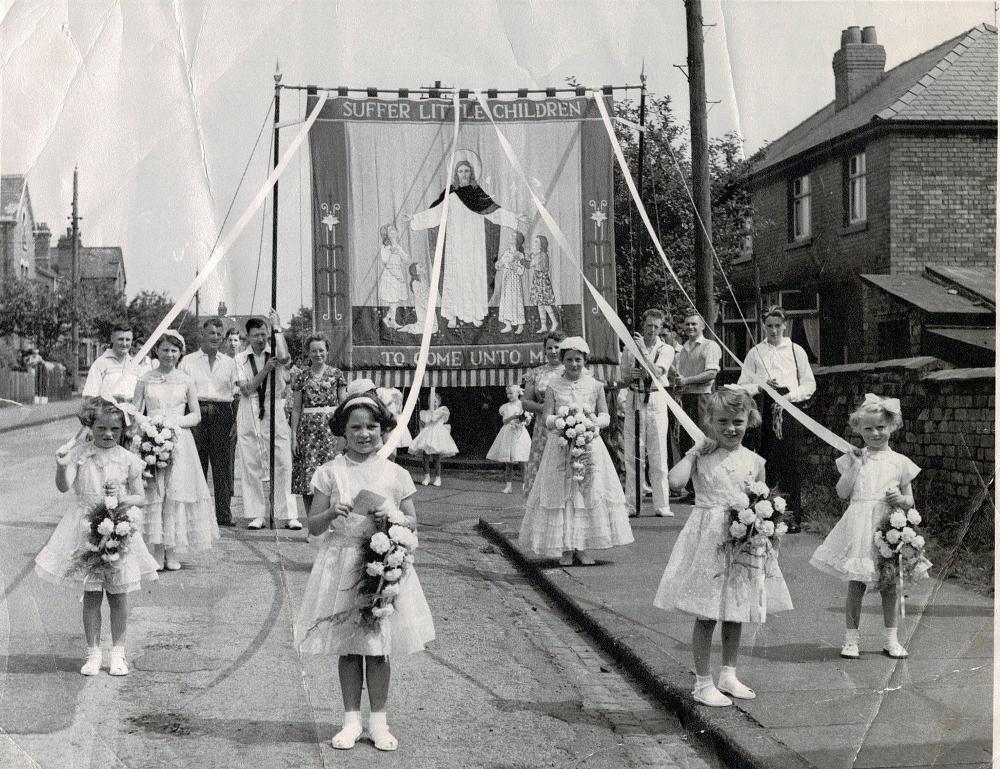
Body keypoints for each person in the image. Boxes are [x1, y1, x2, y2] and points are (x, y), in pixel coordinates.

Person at [295, 392, 434, 751]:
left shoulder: (395, 473)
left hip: (383, 565)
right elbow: (312, 526)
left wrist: (392, 519)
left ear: (384, 430)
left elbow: (414, 523)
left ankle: (379, 722)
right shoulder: (330, 472)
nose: (364, 434)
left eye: (372, 426)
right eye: (355, 427)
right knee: (349, 646)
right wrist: (330, 514)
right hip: (341, 563)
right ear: (342, 430)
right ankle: (350, 720)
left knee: (378, 647)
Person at [653, 387, 793, 707]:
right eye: (723, 421)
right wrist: (692, 453)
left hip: (743, 539)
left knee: (737, 610)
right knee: (707, 612)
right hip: (708, 539)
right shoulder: (702, 456)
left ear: (750, 421)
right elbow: (674, 483)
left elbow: (762, 500)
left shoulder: (755, 461)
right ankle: (702, 683)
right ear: (710, 422)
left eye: (738, 421)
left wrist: (763, 529)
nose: (731, 428)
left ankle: (728, 673)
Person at [35, 397, 159, 676]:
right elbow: (65, 486)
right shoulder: (81, 454)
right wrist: (60, 465)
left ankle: (118, 653)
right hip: (86, 528)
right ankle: (93, 653)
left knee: (118, 595)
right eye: (101, 428)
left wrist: (123, 498)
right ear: (91, 426)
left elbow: (141, 496)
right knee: (91, 594)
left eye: (114, 430)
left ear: (123, 431)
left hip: (118, 529)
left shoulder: (128, 460)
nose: (107, 434)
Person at [809, 395, 927, 660]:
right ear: (858, 430)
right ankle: (851, 639)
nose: (875, 433)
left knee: (889, 584)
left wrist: (901, 499)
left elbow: (910, 500)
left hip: (888, 526)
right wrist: (854, 466)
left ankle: (891, 639)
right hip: (861, 524)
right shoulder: (853, 458)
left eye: (881, 427)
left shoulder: (900, 462)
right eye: (868, 428)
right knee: (856, 583)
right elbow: (842, 492)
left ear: (893, 426)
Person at [519, 337, 633, 566]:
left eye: (578, 360)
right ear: (563, 360)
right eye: (569, 360)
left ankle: (582, 548)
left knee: (586, 492)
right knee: (562, 494)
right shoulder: (553, 385)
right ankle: (565, 549)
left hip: (589, 444)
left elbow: (605, 416)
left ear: (585, 360)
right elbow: (547, 416)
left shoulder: (595, 385)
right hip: (560, 446)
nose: (573, 364)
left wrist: (589, 423)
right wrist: (564, 421)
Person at [403, 156, 526, 328]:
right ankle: (452, 314)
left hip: (475, 243)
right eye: (460, 171)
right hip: (457, 242)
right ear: (456, 174)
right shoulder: (451, 196)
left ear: (472, 173)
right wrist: (414, 218)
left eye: (467, 171)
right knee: (455, 276)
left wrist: (514, 217)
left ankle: (475, 313)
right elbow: (436, 213)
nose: (464, 174)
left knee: (474, 276)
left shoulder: (478, 195)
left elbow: (494, 212)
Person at [133, 331, 219, 571]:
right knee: (155, 495)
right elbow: (135, 410)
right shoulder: (145, 379)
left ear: (180, 353)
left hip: (178, 442)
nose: (169, 354)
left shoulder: (186, 379)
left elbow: (195, 415)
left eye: (174, 350)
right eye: (165, 349)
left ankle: (171, 552)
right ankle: (156, 552)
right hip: (151, 441)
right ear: (157, 352)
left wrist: (172, 424)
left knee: (174, 495)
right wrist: (149, 425)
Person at [737, 307, 816, 533]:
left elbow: (809, 384)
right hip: (763, 406)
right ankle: (766, 516)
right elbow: (743, 383)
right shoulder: (755, 352)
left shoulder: (795, 350)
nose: (773, 330)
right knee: (765, 461)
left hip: (788, 408)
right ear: (763, 326)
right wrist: (760, 386)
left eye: (777, 326)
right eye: (769, 326)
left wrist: (789, 397)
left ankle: (792, 517)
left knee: (789, 462)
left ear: (785, 325)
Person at [234, 311, 301, 530]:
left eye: (264, 334)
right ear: (248, 337)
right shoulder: (240, 359)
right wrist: (266, 369)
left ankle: (287, 514)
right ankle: (256, 514)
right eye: (256, 335)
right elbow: (246, 389)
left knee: (282, 461)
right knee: (251, 462)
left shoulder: (275, 353)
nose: (260, 339)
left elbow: (284, 358)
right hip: (250, 408)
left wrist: (278, 328)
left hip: (274, 407)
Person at [179, 318, 238, 527]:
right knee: (197, 465)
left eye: (219, 334)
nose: (215, 337)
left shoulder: (230, 363)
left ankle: (223, 514)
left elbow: (236, 394)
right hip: (197, 412)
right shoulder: (188, 361)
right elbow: (181, 393)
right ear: (202, 335)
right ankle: (198, 515)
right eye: (211, 333)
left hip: (223, 413)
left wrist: (235, 423)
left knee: (222, 467)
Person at [621, 308, 675, 518]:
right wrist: (631, 375)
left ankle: (662, 504)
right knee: (633, 452)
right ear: (643, 326)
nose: (652, 330)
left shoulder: (666, 349)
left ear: (660, 328)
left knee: (658, 452)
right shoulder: (629, 347)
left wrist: (643, 351)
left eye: (656, 327)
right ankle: (632, 504)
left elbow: (657, 371)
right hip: (635, 398)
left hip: (655, 399)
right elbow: (624, 377)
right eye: (649, 326)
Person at [290, 334, 346, 514]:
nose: (318, 354)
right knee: (308, 479)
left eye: (321, 350)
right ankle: (312, 526)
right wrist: (293, 436)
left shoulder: (336, 374)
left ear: (327, 351)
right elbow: (296, 409)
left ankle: (327, 522)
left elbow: (343, 407)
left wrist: (344, 435)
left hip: (330, 432)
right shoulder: (301, 376)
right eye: (313, 350)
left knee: (331, 477)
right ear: (308, 352)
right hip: (307, 433)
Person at [670, 311, 723, 498]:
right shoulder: (682, 349)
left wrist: (686, 381)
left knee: (703, 441)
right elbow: (679, 377)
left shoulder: (710, 346)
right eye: (687, 324)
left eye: (694, 324)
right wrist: (678, 384)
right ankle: (693, 489)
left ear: (702, 326)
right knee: (687, 442)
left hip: (703, 398)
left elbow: (711, 374)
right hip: (686, 400)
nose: (690, 327)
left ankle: (706, 488)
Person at [521, 331, 564, 492]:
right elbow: (525, 402)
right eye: (549, 348)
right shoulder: (536, 373)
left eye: (557, 347)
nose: (553, 351)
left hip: (565, 426)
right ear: (544, 350)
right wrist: (545, 409)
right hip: (543, 428)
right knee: (543, 468)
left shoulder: (571, 370)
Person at [81, 321, 150, 402]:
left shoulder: (135, 365)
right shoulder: (100, 364)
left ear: (131, 341)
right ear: (112, 339)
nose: (124, 344)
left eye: (127, 340)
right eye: (120, 339)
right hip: (108, 413)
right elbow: (89, 398)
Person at [407, 387, 458, 486]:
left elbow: (440, 419)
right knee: (425, 457)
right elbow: (422, 424)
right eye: (431, 401)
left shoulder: (441, 411)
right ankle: (426, 476)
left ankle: (438, 478)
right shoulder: (425, 413)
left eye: (435, 401)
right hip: (427, 434)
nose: (433, 403)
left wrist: (435, 414)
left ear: (439, 402)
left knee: (437, 457)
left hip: (437, 435)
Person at [486, 384, 532, 493]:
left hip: (520, 433)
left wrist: (524, 419)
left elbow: (528, 422)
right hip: (508, 432)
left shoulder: (523, 405)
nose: (509, 395)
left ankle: (525, 486)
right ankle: (508, 486)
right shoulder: (505, 407)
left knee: (523, 461)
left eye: (511, 393)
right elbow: (504, 421)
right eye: (508, 393)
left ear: (518, 393)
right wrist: (513, 417)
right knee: (509, 462)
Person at [378, 223, 410, 329]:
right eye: (390, 231)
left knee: (395, 300)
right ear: (387, 235)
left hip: (398, 274)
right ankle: (390, 320)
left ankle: (389, 319)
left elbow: (407, 260)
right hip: (390, 275)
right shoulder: (385, 247)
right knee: (393, 299)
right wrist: (397, 276)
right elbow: (386, 263)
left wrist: (400, 253)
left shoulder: (398, 246)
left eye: (394, 230)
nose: (393, 232)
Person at [493, 232, 527, 334]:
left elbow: (521, 271)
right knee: (506, 299)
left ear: (517, 241)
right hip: (507, 279)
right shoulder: (506, 252)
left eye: (513, 236)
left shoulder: (520, 255)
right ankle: (508, 324)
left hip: (515, 280)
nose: (510, 237)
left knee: (516, 300)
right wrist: (498, 265)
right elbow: (499, 265)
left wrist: (514, 266)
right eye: (510, 235)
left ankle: (520, 325)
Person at [396, 261, 438, 336]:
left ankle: (411, 327)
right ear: (416, 271)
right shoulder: (415, 283)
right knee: (428, 327)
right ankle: (408, 328)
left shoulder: (423, 280)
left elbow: (427, 292)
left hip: (427, 305)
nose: (423, 268)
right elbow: (419, 298)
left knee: (434, 327)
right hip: (423, 306)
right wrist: (426, 306)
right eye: (420, 267)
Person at [528, 234, 558, 333]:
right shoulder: (538, 254)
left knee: (545, 303)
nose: (534, 243)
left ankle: (554, 322)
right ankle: (544, 325)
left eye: (536, 241)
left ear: (541, 244)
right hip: (538, 278)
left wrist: (521, 261)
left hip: (541, 279)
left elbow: (531, 264)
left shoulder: (541, 255)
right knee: (540, 304)